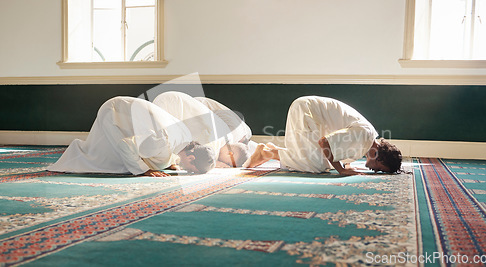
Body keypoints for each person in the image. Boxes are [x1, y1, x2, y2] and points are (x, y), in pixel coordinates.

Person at [47, 96, 216, 176]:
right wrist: (144, 171)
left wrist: (170, 163)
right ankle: (78, 151)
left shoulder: (185, 137)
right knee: (114, 161)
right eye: (192, 170)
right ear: (192, 158)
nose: (188, 171)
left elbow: (168, 151)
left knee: (145, 157)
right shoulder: (162, 143)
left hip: (126, 107)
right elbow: (125, 145)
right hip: (115, 113)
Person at [244, 96, 402, 175]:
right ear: (379, 157)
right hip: (306, 110)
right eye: (380, 169)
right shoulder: (364, 136)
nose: (376, 171)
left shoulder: (367, 139)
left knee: (324, 163)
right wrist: (341, 170)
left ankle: (273, 151)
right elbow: (324, 142)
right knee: (316, 165)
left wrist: (346, 166)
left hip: (312, 113)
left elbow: (342, 151)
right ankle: (266, 153)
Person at [153, 92, 250, 168]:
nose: (225, 163)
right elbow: (189, 157)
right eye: (228, 163)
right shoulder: (213, 143)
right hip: (166, 106)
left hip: (171, 98)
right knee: (162, 157)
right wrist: (214, 164)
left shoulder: (227, 134)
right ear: (230, 154)